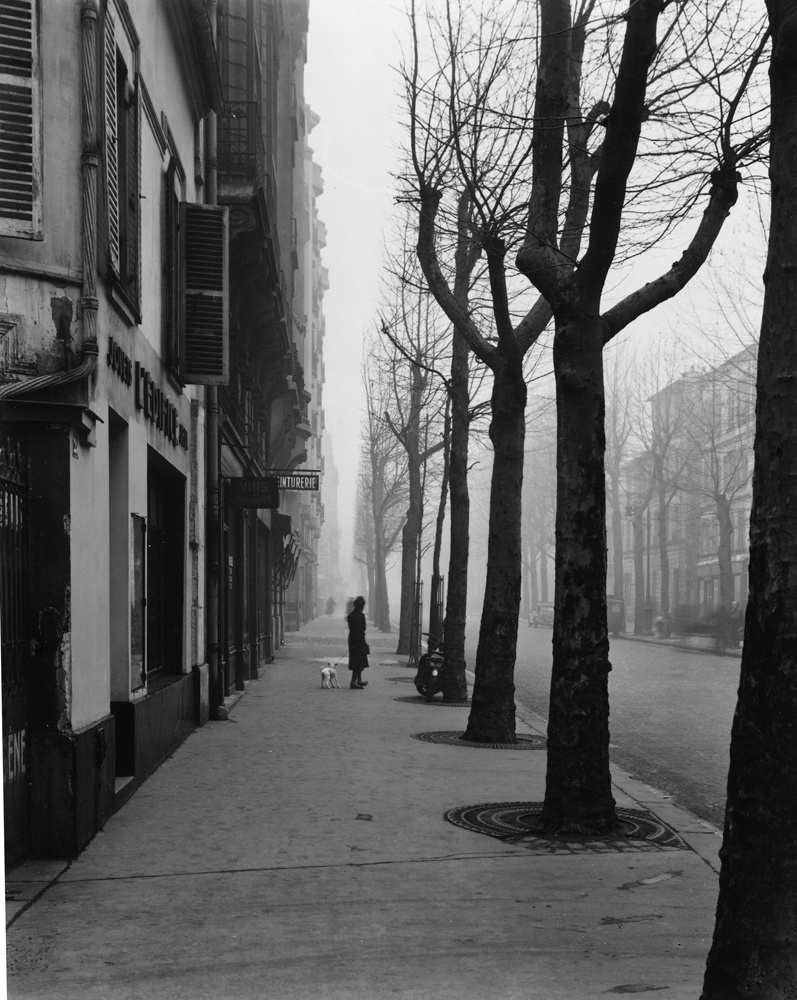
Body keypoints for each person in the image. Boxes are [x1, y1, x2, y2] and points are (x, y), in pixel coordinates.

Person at [346, 595, 369, 689]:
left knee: (358, 661)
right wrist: (361, 641)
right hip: (358, 640)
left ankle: (358, 680)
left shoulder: (351, 615)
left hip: (353, 639)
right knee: (358, 662)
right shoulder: (360, 616)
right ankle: (354, 681)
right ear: (361, 606)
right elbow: (361, 629)